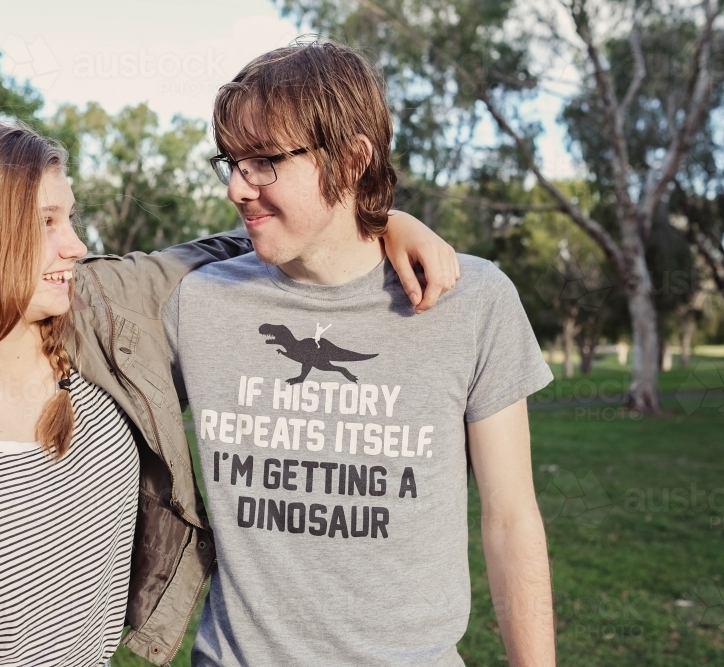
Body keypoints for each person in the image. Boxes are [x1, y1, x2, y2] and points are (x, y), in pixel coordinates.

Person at [0, 118, 459, 665]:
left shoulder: (101, 311)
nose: (77, 244)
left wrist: (380, 221)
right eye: (47, 222)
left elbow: (256, 239)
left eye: (71, 217)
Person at [160, 42, 557, 666]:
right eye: (231, 161)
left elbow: (511, 520)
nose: (238, 187)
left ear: (350, 161)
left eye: (264, 161)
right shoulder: (198, 301)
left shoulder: (471, 301)